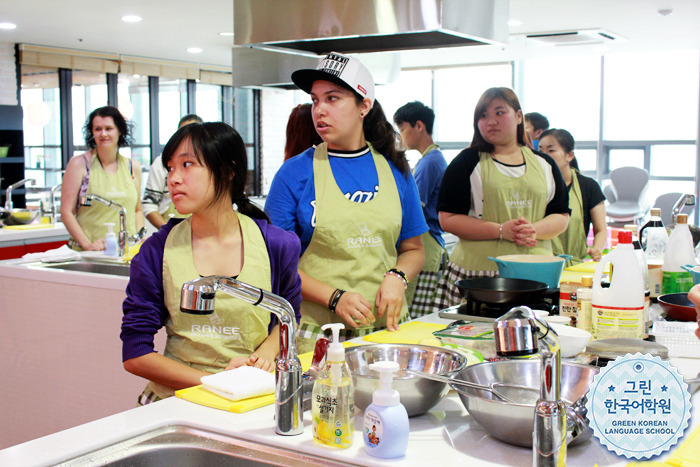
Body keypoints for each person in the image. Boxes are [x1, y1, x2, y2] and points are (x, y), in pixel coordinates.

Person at [121, 122, 302, 404]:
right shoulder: (157, 250)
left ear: (228, 171)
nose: (173, 179)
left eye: (188, 164)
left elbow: (288, 316)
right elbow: (135, 354)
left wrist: (267, 353)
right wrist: (214, 381)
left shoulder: (276, 244)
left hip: (253, 398)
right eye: (170, 168)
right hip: (177, 401)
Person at [265, 52, 427, 353]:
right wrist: (334, 297)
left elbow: (414, 249)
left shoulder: (395, 169)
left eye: (333, 98)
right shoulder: (294, 173)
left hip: (387, 331)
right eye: (315, 100)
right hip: (317, 333)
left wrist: (398, 276)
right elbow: (276, 265)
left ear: (363, 105)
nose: (319, 110)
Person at [433, 87, 570, 310]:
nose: (491, 121)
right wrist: (500, 231)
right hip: (478, 277)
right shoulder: (466, 163)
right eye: (483, 115)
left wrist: (532, 230)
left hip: (535, 273)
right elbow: (448, 218)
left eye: (499, 113)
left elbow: (561, 215)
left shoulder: (545, 163)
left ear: (518, 117)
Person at [61, 106, 144, 251]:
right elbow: (66, 212)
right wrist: (88, 245)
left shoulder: (133, 167)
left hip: (126, 251)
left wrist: (140, 239)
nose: (103, 134)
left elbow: (137, 210)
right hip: (89, 253)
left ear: (120, 130)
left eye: (108, 128)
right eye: (98, 129)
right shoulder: (79, 164)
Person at [393, 101, 448, 318]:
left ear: (419, 126)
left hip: (425, 244)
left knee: (414, 314)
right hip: (430, 243)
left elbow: (413, 210)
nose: (401, 135)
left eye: (403, 129)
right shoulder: (432, 159)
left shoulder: (429, 163)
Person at [538, 128, 607, 264]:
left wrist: (597, 249)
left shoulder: (588, 186)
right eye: (540, 151)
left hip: (575, 266)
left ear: (569, 156)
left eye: (551, 150)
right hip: (541, 263)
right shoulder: (534, 186)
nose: (544, 156)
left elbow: (601, 229)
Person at [143, 114, 203, 229]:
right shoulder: (161, 163)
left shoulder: (207, 163)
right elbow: (149, 205)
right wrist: (170, 232)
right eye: (171, 169)